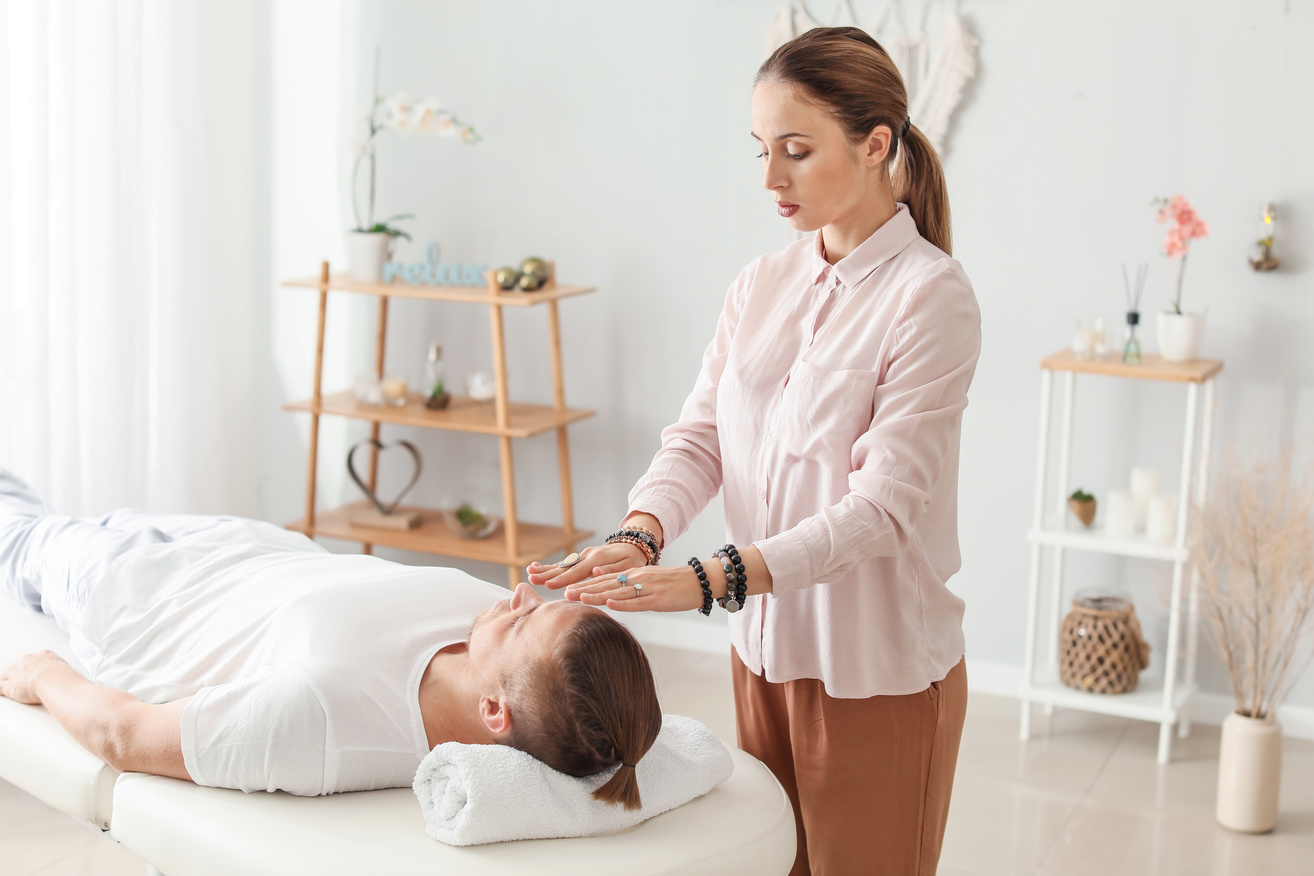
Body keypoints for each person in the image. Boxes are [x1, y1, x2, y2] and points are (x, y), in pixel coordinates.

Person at [528, 27, 980, 875]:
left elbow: (880, 512)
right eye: (761, 149)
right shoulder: (761, 284)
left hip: (873, 675)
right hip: (763, 656)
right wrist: (640, 534)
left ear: (875, 144)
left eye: (796, 151)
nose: (771, 177)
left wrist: (713, 578)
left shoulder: (930, 297)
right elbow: (702, 436)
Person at [0, 468, 661, 808]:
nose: (517, 595)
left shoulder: (326, 720)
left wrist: (41, 675)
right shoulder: (501, 649)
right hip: (231, 544)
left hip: (129, 596)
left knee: (16, 525)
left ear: (495, 711)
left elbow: (123, 736)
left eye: (522, 620)